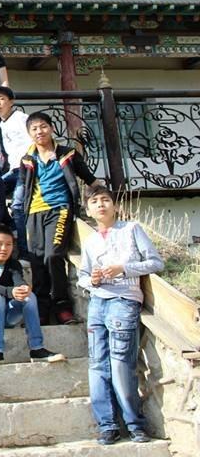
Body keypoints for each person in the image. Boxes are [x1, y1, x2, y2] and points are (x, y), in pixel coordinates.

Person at [79, 187, 164, 445]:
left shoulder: (131, 229)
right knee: (97, 365)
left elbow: (156, 262)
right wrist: (91, 280)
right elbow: (83, 275)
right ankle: (107, 425)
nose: (101, 205)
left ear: (114, 205)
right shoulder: (90, 240)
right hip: (97, 302)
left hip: (124, 301)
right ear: (88, 210)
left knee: (120, 363)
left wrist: (123, 269)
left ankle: (135, 424)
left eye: (105, 200)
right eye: (94, 201)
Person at [20, 111, 100, 324]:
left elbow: (90, 179)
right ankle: (42, 308)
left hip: (60, 209)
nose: (40, 131)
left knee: (53, 256)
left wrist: (106, 199)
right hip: (34, 213)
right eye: (34, 128)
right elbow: (22, 186)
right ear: (29, 133)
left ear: (52, 128)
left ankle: (62, 306)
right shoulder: (27, 159)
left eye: (43, 126)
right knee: (37, 261)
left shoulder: (68, 153)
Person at [0, 224, 66, 369]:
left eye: (8, 244)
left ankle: (36, 347)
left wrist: (23, 288)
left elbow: (19, 281)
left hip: (8, 316)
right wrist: (11, 292)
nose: (4, 248)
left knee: (30, 296)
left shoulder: (14, 264)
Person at [0, 86, 30, 254]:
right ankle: (10, 226)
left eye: (1, 99)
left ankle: (24, 250)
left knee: (18, 206)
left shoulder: (22, 118)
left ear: (11, 101)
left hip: (27, 167)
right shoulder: (0, 124)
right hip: (14, 170)